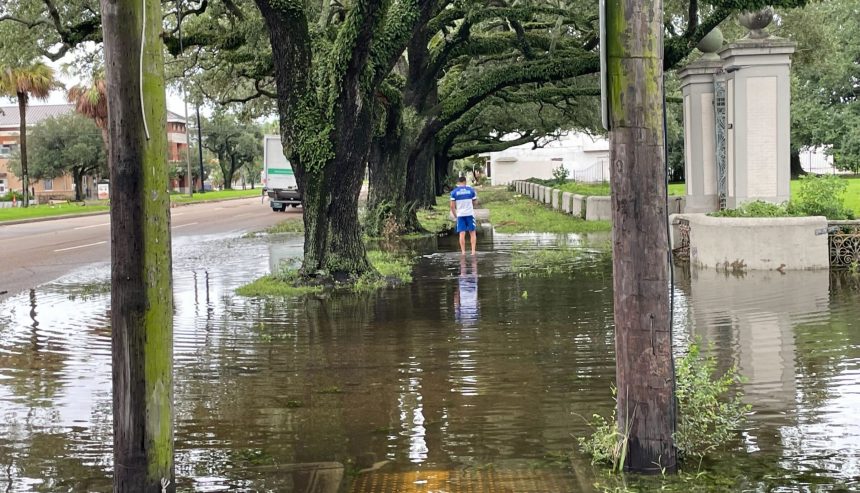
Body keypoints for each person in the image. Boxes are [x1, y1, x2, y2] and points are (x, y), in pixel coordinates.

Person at [450, 176, 478, 255]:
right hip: (470, 214)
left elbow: (452, 206)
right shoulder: (471, 190)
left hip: (460, 215)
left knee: (462, 234)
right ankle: (473, 252)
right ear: (465, 182)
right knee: (472, 233)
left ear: (458, 183)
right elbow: (475, 203)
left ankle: (463, 252)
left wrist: (456, 216)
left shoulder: (454, 192)